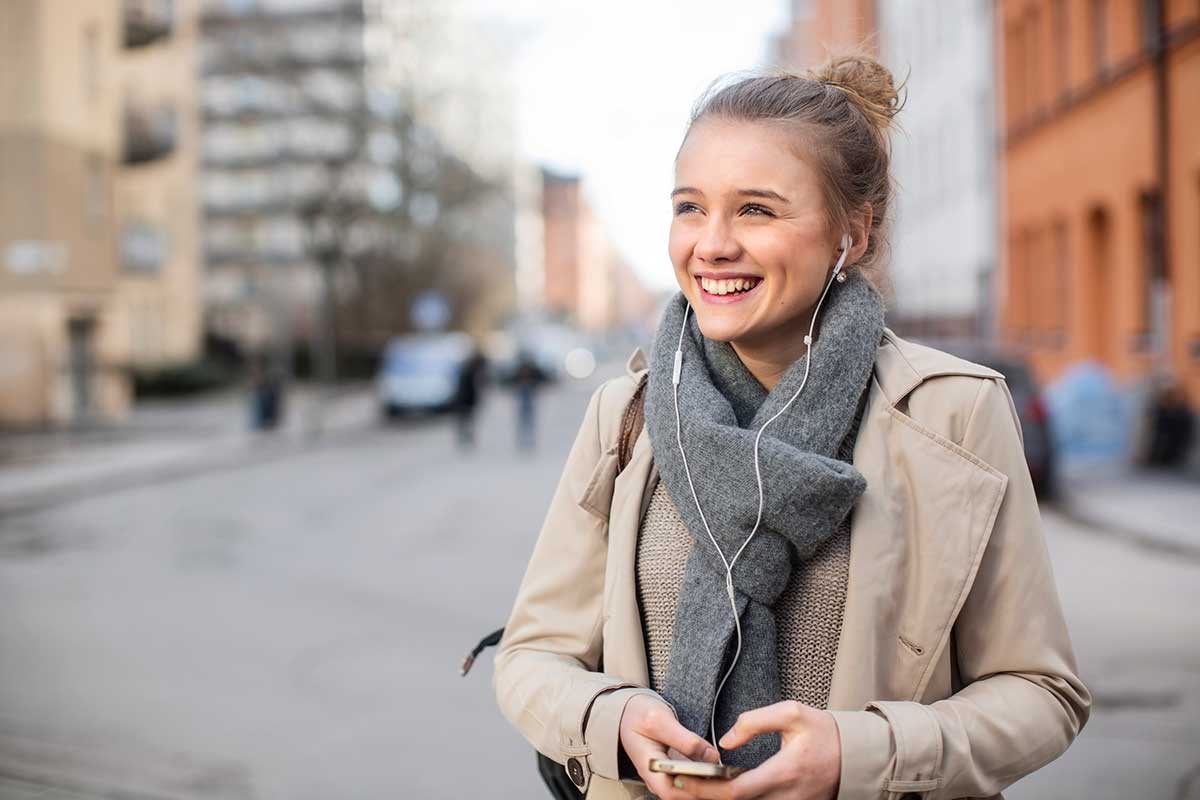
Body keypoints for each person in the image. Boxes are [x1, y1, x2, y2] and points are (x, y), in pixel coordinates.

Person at [493, 55, 1089, 800]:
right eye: (689, 207)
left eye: (756, 210)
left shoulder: (952, 413)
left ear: (854, 232)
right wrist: (612, 720)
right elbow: (530, 657)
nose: (711, 243)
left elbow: (1041, 693)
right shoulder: (628, 414)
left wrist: (859, 753)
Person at [453, 347, 488, 449]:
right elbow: (465, 389)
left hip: (466, 401)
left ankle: (466, 438)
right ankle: (465, 438)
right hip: (464, 401)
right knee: (465, 421)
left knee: (467, 421)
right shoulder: (467, 372)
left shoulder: (470, 372)